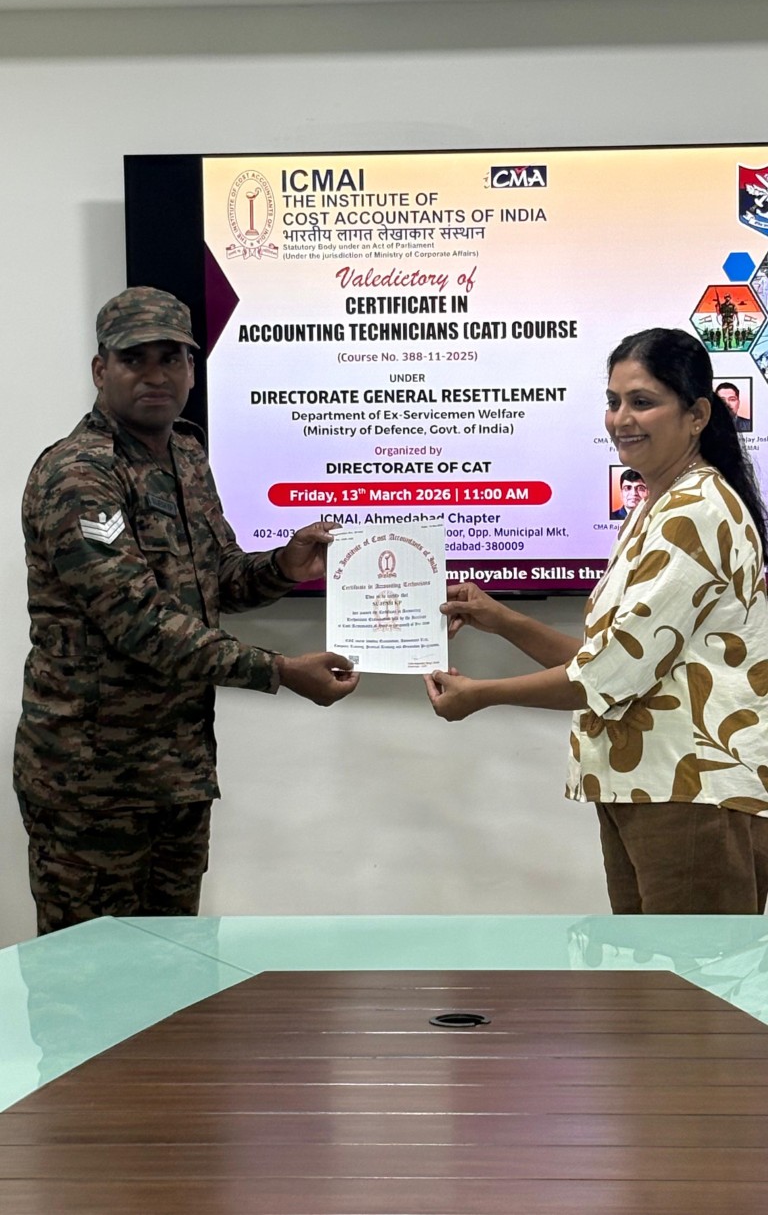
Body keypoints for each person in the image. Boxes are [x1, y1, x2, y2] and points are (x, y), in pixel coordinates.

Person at [14, 287, 359, 935]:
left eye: (171, 358)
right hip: (92, 782)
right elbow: (141, 623)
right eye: (134, 359)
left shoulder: (186, 455)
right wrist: (280, 670)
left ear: (193, 370)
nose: (156, 375)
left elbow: (216, 578)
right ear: (100, 370)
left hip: (177, 772)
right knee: (87, 976)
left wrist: (283, 565)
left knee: (174, 969)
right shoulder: (79, 475)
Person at [425, 327, 768, 914]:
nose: (621, 419)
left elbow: (604, 677)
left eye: (643, 401)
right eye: (613, 401)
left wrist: (481, 695)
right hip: (650, 787)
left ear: (697, 415)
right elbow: (609, 658)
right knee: (648, 970)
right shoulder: (657, 507)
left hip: (692, 789)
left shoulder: (695, 512)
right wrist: (499, 618)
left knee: (694, 974)